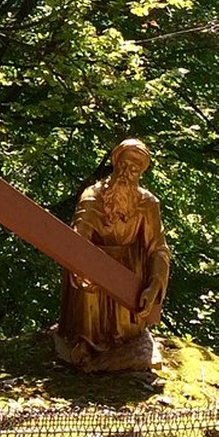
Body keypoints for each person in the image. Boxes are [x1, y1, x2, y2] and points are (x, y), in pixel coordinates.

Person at [57, 138, 171, 371]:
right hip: (94, 265)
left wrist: (154, 284)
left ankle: (127, 341)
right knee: (88, 284)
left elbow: (158, 248)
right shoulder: (93, 196)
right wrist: (81, 268)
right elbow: (79, 237)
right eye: (125, 165)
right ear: (116, 162)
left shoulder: (148, 204)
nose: (128, 173)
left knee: (131, 297)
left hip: (128, 274)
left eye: (135, 169)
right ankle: (84, 343)